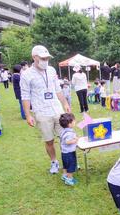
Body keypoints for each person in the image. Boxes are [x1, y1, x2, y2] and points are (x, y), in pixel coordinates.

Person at [20, 45, 70, 174]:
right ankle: (54, 161)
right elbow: (25, 96)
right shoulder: (26, 75)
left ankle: (69, 161)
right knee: (49, 140)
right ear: (34, 57)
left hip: (57, 109)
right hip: (41, 111)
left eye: (47, 58)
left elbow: (57, 89)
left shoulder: (52, 70)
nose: (45, 60)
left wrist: (65, 103)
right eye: (42, 58)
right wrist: (28, 115)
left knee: (65, 136)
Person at [59, 113, 79, 186]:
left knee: (65, 165)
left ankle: (64, 175)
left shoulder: (64, 130)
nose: (75, 121)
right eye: (74, 121)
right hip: (69, 153)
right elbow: (67, 141)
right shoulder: (69, 133)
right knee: (71, 166)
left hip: (64, 152)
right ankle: (69, 179)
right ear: (69, 124)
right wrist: (75, 140)